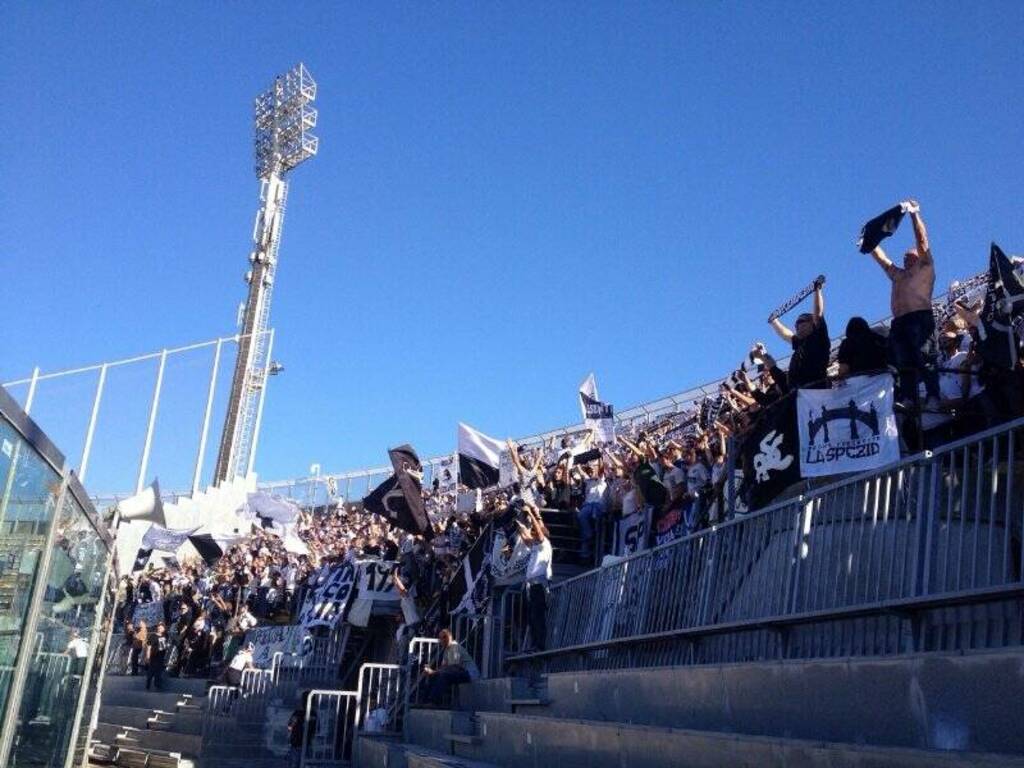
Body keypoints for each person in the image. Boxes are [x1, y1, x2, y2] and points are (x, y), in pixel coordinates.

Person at [866, 199, 938, 406]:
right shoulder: (899, 275)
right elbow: (883, 260)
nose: (906, 259)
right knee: (902, 362)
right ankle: (908, 397)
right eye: (904, 257)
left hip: (919, 317)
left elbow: (922, 241)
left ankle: (933, 394)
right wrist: (870, 243)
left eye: (910, 256)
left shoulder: (925, 267)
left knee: (925, 357)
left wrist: (915, 215)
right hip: (900, 321)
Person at [769, 276, 829, 389]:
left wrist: (817, 290)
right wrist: (774, 322)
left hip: (815, 391)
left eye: (800, 322)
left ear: (812, 323)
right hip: (801, 395)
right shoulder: (800, 343)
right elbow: (786, 335)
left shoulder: (819, 337)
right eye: (796, 324)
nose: (796, 326)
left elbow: (818, 313)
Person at [520, 505, 553, 651]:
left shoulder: (543, 543)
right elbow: (525, 537)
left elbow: (538, 532)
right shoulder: (535, 545)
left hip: (540, 584)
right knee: (532, 618)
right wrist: (517, 521)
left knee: (538, 616)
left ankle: (540, 646)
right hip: (532, 585)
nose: (532, 534)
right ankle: (535, 644)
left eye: (534, 532)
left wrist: (532, 515)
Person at [422, 629, 479, 707]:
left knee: (444, 676)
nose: (443, 640)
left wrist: (434, 672)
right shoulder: (446, 650)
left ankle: (434, 702)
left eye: (445, 637)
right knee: (435, 676)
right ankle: (425, 701)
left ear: (450, 637)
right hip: (461, 672)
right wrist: (432, 672)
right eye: (441, 638)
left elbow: (454, 667)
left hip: (469, 673)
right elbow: (444, 667)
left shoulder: (455, 647)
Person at [145, 621, 169, 691]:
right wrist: (147, 657)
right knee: (151, 671)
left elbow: (166, 645)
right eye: (159, 627)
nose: (160, 629)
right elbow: (149, 647)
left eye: (161, 628)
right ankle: (148, 684)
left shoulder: (165, 635)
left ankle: (157, 686)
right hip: (154, 656)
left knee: (158, 672)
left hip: (161, 656)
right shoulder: (153, 636)